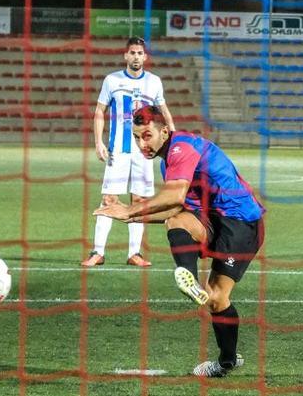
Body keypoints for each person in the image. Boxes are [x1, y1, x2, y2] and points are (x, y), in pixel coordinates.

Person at [94, 106, 265, 378]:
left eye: (147, 136)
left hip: (242, 222)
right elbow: (177, 210)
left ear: (164, 131)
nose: (142, 144)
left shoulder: (180, 148)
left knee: (218, 298)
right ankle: (190, 279)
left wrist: (131, 210)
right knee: (176, 222)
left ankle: (226, 361)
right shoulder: (168, 160)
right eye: (137, 137)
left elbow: (174, 197)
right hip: (213, 218)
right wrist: (131, 217)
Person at [81, 36, 176, 267]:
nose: (135, 57)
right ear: (126, 55)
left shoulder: (154, 82)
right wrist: (98, 142)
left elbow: (164, 113)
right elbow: (99, 112)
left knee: (140, 200)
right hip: (118, 151)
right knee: (109, 198)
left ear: (145, 57)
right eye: (132, 53)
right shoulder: (112, 80)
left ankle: (135, 254)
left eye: (139, 53)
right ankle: (98, 252)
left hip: (144, 152)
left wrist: (173, 138)